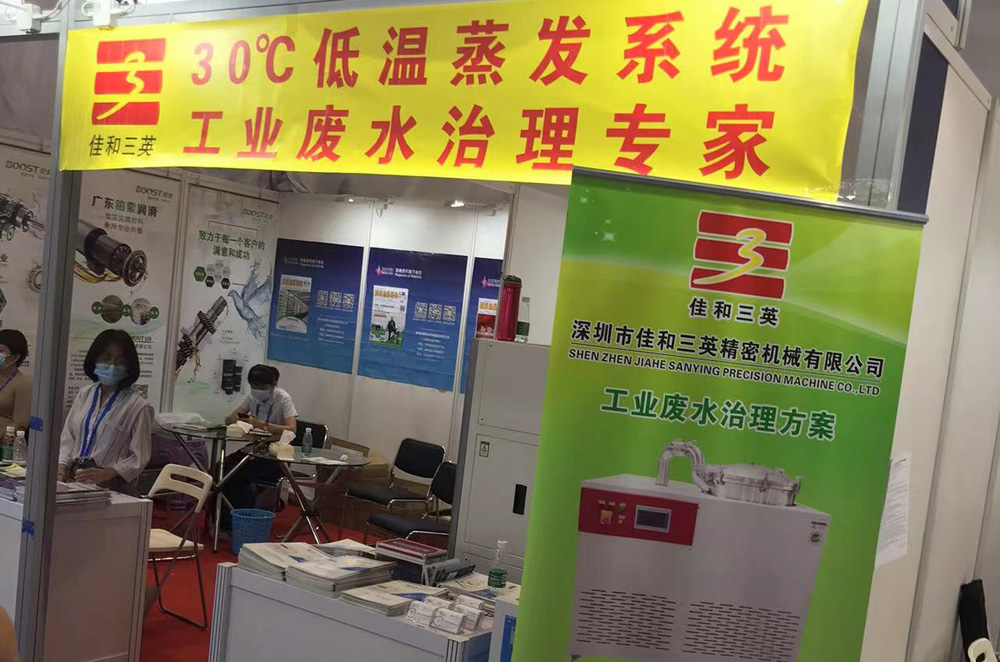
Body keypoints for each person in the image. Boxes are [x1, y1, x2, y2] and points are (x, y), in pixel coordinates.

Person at [58, 330, 152, 495]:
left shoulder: (138, 405)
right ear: (94, 360)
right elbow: (69, 437)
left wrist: (109, 473)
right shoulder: (85, 394)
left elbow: (140, 456)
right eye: (106, 358)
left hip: (112, 486)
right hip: (75, 479)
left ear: (129, 367)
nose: (112, 366)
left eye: (120, 361)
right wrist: (61, 467)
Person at [220, 365, 298, 529]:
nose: (257, 390)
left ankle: (240, 524)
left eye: (262, 386)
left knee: (238, 476)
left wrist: (262, 425)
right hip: (255, 448)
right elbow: (229, 419)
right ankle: (221, 522)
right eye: (254, 385)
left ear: (273, 385)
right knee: (222, 469)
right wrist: (241, 419)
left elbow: (292, 429)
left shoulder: (283, 398)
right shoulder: (252, 397)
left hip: (275, 454)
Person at [0, 329, 31, 432]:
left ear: (16, 357)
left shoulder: (22, 384)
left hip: (5, 439)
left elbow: (20, 424)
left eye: (1, 350)